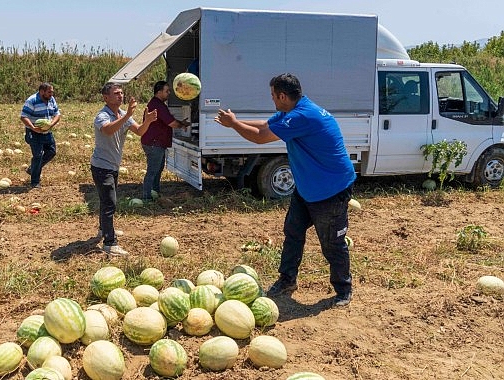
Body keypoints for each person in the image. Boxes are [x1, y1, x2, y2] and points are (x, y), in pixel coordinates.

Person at [214, 73, 356, 307]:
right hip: (307, 186)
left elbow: (261, 138)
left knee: (332, 243)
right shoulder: (293, 110)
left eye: (272, 96)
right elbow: (266, 126)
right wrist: (237, 121)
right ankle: (287, 280)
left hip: (330, 189)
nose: (272, 100)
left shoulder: (303, 116)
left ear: (282, 96)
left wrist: (234, 125)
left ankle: (343, 289)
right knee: (293, 232)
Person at [91, 82, 158, 256]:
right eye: (116, 93)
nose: (120, 96)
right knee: (109, 203)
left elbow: (140, 131)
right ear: (106, 97)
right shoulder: (102, 115)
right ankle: (109, 243)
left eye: (121, 93)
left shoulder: (122, 114)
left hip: (113, 166)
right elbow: (108, 130)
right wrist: (128, 113)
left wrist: (148, 121)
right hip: (101, 166)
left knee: (106, 200)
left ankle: (103, 229)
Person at [141, 81, 190, 201]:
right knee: (153, 170)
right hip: (154, 143)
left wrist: (180, 122)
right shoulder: (158, 106)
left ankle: (154, 193)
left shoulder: (157, 104)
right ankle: (147, 197)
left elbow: (168, 120)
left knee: (157, 169)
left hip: (155, 142)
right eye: (167, 91)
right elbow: (171, 123)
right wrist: (181, 125)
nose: (169, 93)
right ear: (159, 92)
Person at [20, 82, 61, 188]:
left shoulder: (51, 99)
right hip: (34, 133)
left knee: (51, 152)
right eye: (49, 92)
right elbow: (24, 116)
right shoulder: (32, 100)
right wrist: (33, 128)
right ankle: (35, 181)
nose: (51, 94)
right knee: (38, 156)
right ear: (41, 91)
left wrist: (51, 123)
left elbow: (57, 114)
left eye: (52, 92)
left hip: (47, 132)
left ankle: (32, 169)